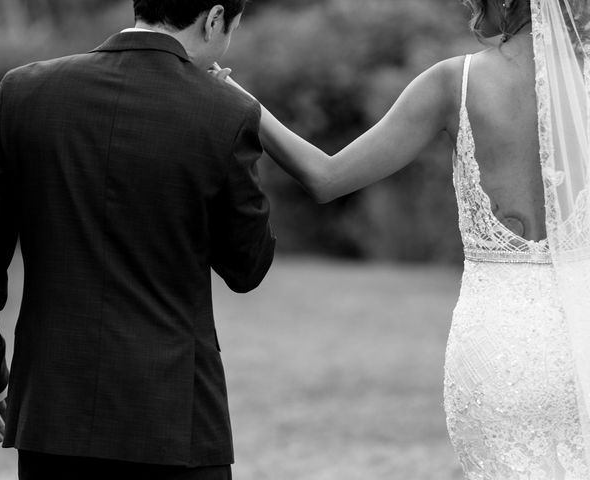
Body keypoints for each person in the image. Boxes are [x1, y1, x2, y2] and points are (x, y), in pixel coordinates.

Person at [216, 0, 590, 476]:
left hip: (501, 346)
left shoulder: (455, 82)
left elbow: (326, 177)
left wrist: (233, 94)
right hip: (581, 336)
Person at [0, 1, 275, 479]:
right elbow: (247, 267)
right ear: (214, 18)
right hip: (175, 421)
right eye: (232, 30)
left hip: (53, 418)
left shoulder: (24, 91)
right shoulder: (226, 111)